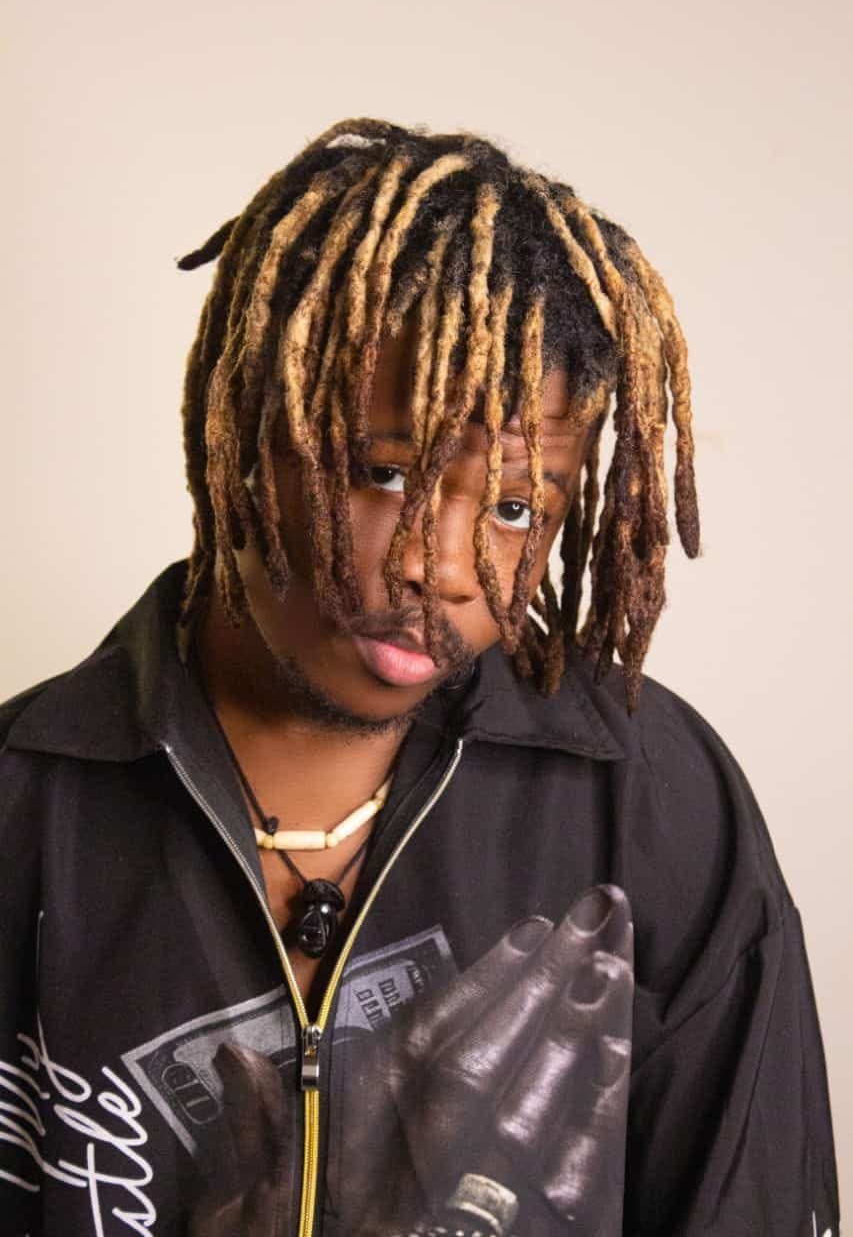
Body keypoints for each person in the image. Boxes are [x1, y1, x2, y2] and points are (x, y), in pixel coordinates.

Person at [0, 117, 839, 1237]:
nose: (441, 568)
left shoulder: (650, 796)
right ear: (240, 428)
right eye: (384, 473)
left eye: (513, 505)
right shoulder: (22, 802)